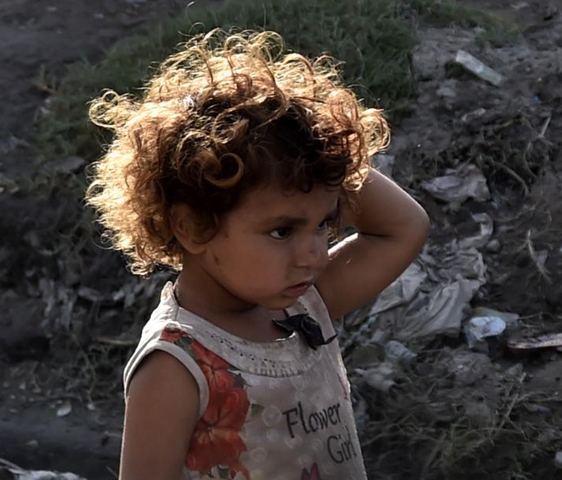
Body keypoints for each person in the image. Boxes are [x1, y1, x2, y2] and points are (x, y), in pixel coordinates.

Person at [86, 28, 429, 480]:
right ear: (193, 226)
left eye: (324, 225)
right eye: (282, 230)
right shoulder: (177, 365)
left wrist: (314, 147)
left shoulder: (304, 306)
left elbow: (404, 227)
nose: (316, 255)